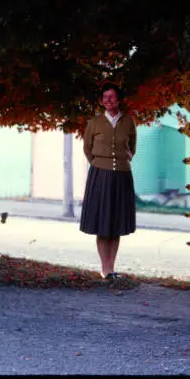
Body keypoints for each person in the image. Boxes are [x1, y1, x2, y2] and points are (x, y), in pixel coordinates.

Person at [79, 82, 137, 279]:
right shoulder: (94, 123)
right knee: (103, 223)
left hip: (122, 175)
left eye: (111, 97)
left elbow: (133, 147)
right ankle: (105, 269)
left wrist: (123, 159)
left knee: (116, 223)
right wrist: (99, 164)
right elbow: (87, 149)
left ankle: (112, 267)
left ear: (118, 99)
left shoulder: (128, 121)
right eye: (105, 98)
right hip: (100, 175)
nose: (108, 101)